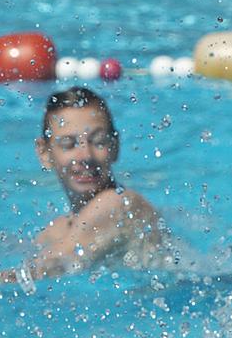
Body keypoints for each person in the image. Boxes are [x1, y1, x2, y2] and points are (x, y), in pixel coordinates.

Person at [28, 87, 172, 276]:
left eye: (98, 142)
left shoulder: (119, 203)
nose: (85, 156)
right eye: (68, 144)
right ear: (44, 153)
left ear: (115, 146)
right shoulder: (57, 229)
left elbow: (47, 268)